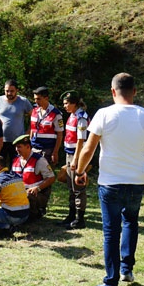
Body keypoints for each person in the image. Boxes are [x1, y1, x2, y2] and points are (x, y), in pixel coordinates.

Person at [74, 73, 144, 286]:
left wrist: (80, 171)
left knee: (111, 231)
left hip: (110, 182)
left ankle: (111, 284)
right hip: (137, 182)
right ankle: (127, 270)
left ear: (113, 91)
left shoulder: (103, 114)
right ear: (134, 91)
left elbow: (88, 148)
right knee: (131, 222)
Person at [59, 91, 89, 229]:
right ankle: (71, 215)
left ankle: (79, 218)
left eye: (67, 103)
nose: (65, 106)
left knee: (78, 187)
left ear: (74, 103)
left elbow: (81, 140)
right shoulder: (72, 115)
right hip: (69, 153)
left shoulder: (81, 117)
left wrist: (76, 160)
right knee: (71, 186)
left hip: (76, 156)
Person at [11, 134, 55, 220]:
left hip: (36, 194)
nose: (17, 150)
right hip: (19, 192)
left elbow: (51, 178)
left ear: (28, 147)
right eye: (16, 147)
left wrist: (37, 188)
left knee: (28, 195)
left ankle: (35, 214)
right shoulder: (15, 160)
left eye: (19, 147)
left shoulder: (39, 160)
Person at [0, 79, 33, 164]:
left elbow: (33, 118)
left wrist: (28, 132)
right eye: (7, 91)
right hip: (0, 141)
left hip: (18, 141)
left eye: (12, 91)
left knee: (16, 165)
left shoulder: (23, 101)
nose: (9, 93)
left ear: (17, 90)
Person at [29, 86, 63, 166]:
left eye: (38, 99)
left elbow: (60, 134)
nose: (36, 101)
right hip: (34, 148)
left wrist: (55, 152)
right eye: (35, 99)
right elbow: (32, 128)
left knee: (46, 176)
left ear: (46, 98)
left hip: (47, 150)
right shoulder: (34, 110)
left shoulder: (56, 114)